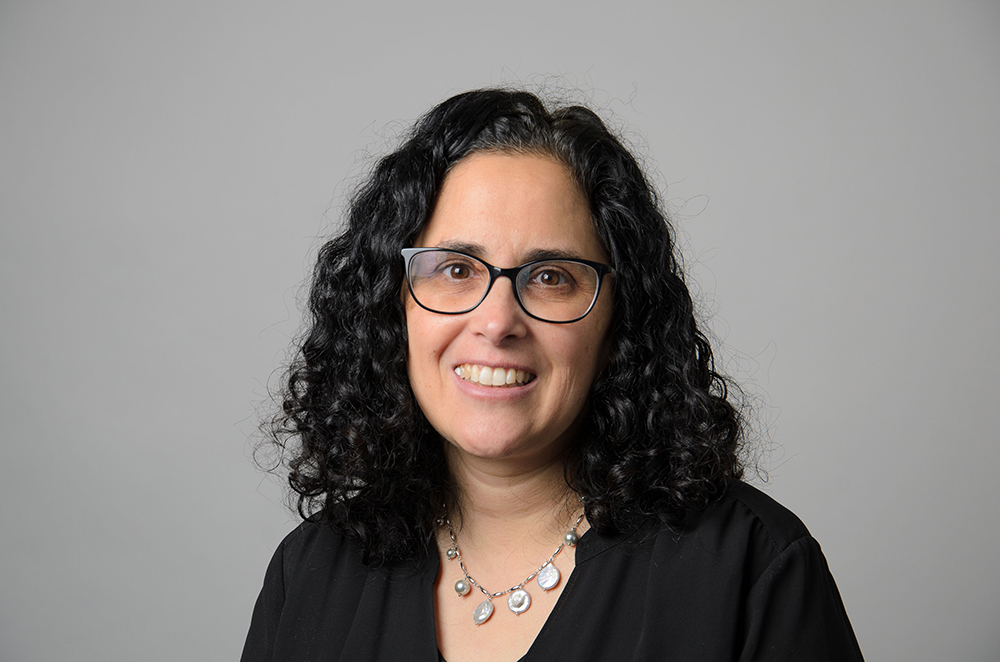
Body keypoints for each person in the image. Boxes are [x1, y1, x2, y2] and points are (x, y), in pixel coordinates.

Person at [241, 88, 864, 662]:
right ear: (390, 303)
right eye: (456, 269)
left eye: (551, 277)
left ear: (618, 319)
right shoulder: (311, 575)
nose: (497, 321)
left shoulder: (751, 568)